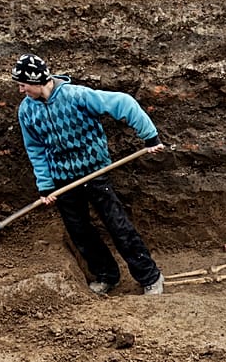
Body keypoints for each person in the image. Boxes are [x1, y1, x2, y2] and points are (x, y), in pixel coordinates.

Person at [11, 53, 165, 295]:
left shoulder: (77, 96)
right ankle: (107, 276)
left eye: (23, 84)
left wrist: (149, 137)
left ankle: (150, 276)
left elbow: (123, 103)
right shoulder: (26, 111)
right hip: (63, 181)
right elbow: (36, 149)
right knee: (80, 232)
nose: (20, 90)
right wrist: (46, 186)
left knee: (118, 226)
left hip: (95, 172)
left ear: (37, 80)